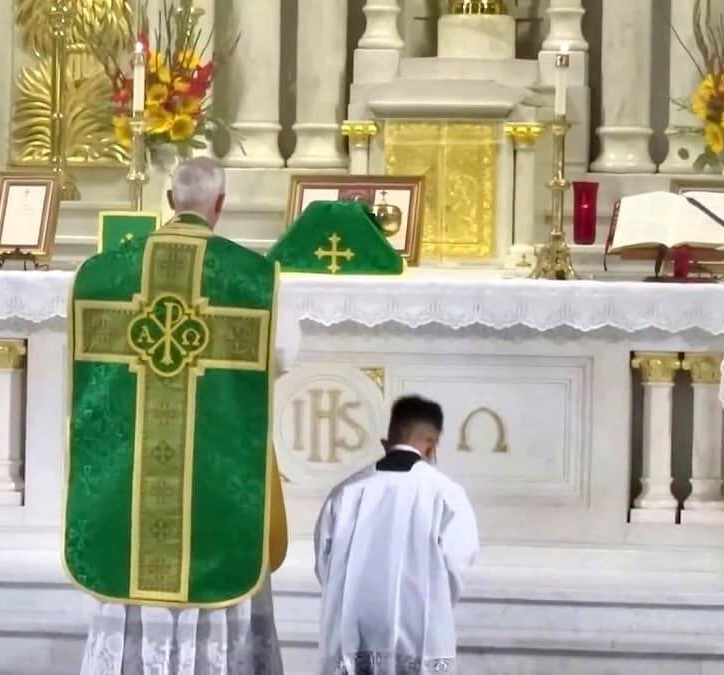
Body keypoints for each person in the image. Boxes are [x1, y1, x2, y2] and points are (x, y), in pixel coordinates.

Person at [72, 158, 299, 675]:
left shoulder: (105, 274)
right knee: (220, 559)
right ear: (220, 205)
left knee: (133, 558)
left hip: (134, 472)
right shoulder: (253, 278)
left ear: (171, 201)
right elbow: (283, 354)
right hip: (217, 461)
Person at [314, 395, 480, 674]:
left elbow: (325, 565)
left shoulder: (346, 492)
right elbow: (457, 565)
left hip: (353, 637)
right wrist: (434, 604)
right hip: (421, 637)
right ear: (432, 446)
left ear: (386, 441)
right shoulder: (446, 493)